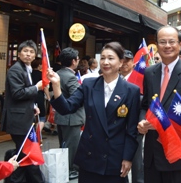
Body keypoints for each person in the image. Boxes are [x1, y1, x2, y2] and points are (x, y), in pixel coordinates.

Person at [46, 42, 141, 182]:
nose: (105, 62)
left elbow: (132, 130)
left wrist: (128, 157)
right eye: (102, 58)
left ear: (121, 62)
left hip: (115, 156)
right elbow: (67, 108)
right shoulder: (89, 85)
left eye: (110, 58)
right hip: (90, 155)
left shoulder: (131, 90)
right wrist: (56, 85)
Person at [137, 26, 181, 183]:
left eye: (171, 41)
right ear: (157, 45)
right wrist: (142, 121)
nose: (167, 46)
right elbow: (145, 105)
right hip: (152, 152)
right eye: (162, 42)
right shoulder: (149, 72)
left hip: (177, 152)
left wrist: (161, 124)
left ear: (180, 44)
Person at [1, 40, 44, 183]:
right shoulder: (15, 70)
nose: (28, 54)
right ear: (19, 54)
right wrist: (37, 87)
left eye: (32, 52)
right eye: (25, 51)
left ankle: (14, 177)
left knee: (23, 152)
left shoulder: (26, 68)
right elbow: (18, 93)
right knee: (26, 153)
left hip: (24, 117)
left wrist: (32, 106)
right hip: (18, 120)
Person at [54, 47, 85, 180]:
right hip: (71, 118)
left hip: (61, 117)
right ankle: (71, 169)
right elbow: (77, 97)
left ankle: (64, 168)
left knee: (64, 145)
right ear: (73, 61)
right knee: (72, 146)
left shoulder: (58, 73)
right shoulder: (70, 77)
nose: (78, 61)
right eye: (77, 59)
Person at [121, 49, 144, 183]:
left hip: (134, 126)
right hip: (118, 126)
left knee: (136, 159)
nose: (124, 63)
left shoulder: (140, 78)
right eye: (122, 60)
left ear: (133, 63)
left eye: (127, 60)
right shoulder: (114, 79)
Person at [31, 58, 49, 133]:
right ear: (39, 65)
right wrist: (48, 97)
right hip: (39, 95)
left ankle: (31, 132)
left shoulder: (29, 73)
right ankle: (38, 133)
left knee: (32, 114)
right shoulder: (41, 75)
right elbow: (44, 87)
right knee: (42, 115)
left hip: (30, 95)